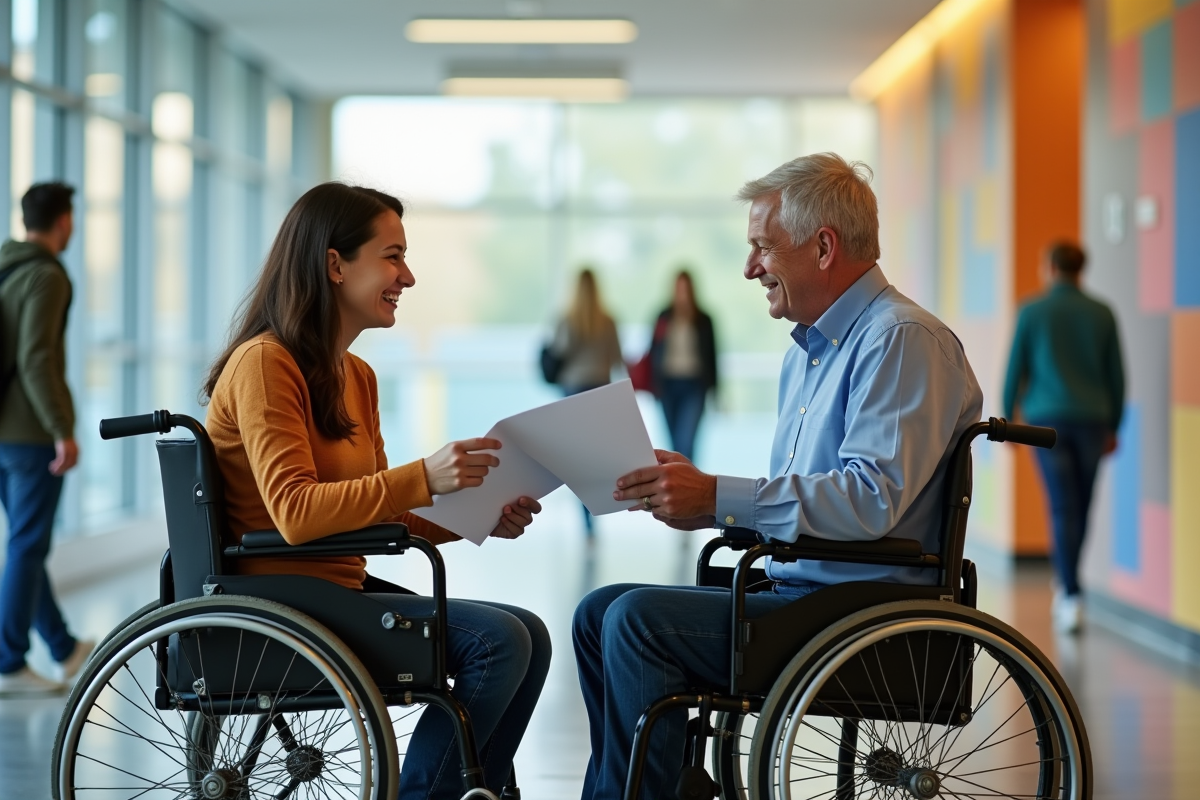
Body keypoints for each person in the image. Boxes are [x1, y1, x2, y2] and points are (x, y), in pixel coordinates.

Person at [571, 153, 984, 800]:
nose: (748, 268)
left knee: (636, 622)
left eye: (763, 247)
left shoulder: (901, 341)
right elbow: (814, 497)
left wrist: (716, 498)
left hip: (864, 610)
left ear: (823, 247)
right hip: (805, 590)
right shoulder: (813, 353)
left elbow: (871, 500)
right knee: (598, 612)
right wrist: (703, 488)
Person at [202, 182, 550, 800]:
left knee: (529, 632)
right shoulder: (264, 364)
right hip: (279, 600)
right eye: (392, 256)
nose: (408, 277)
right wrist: (422, 476)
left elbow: (384, 513)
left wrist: (478, 515)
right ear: (335, 264)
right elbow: (296, 514)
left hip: (337, 591)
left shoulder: (354, 376)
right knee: (498, 642)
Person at [0, 182, 94, 697]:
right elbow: (38, 359)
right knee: (28, 545)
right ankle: (8, 662)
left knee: (23, 544)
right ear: (63, 221)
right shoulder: (46, 275)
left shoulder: (6, 265)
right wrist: (62, 429)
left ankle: (62, 647)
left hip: (2, 433)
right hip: (29, 434)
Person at [1003, 241, 1124, 634]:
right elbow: (1116, 376)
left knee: (1062, 506)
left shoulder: (1032, 311)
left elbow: (1015, 370)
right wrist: (1115, 426)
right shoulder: (1102, 313)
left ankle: (1069, 590)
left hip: (1046, 423)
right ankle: (1070, 586)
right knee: (1081, 505)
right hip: (1093, 420)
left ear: (1051, 267)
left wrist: (1006, 422)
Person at [550, 268, 624, 536]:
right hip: (600, 389)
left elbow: (558, 353)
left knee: (576, 456)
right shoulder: (609, 320)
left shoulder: (566, 320)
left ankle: (586, 518)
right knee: (594, 455)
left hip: (573, 389)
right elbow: (617, 358)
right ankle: (597, 508)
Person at [648, 270, 718, 463]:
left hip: (694, 385)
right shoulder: (663, 316)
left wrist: (716, 392)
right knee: (674, 444)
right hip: (668, 385)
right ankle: (676, 487)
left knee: (686, 442)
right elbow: (653, 351)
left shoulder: (703, 319)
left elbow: (712, 357)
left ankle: (688, 488)